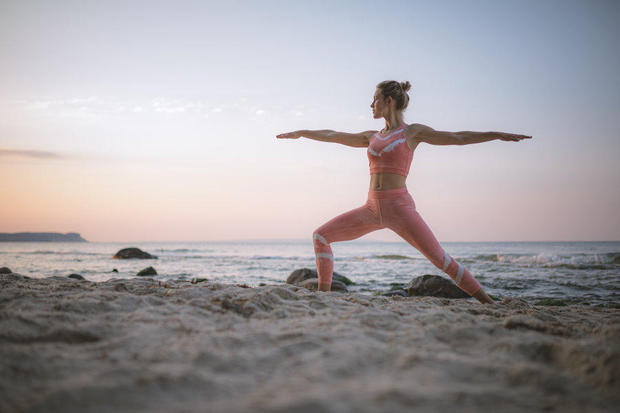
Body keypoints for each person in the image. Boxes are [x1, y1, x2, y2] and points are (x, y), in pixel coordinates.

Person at [276, 80, 531, 304]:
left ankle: (488, 302)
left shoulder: (412, 132)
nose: (371, 104)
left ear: (388, 101)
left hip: (400, 208)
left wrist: (497, 135)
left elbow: (457, 137)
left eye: (374, 99)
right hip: (371, 209)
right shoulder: (371, 136)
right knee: (321, 236)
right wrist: (301, 133)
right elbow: (333, 135)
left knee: (441, 261)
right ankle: (324, 297)